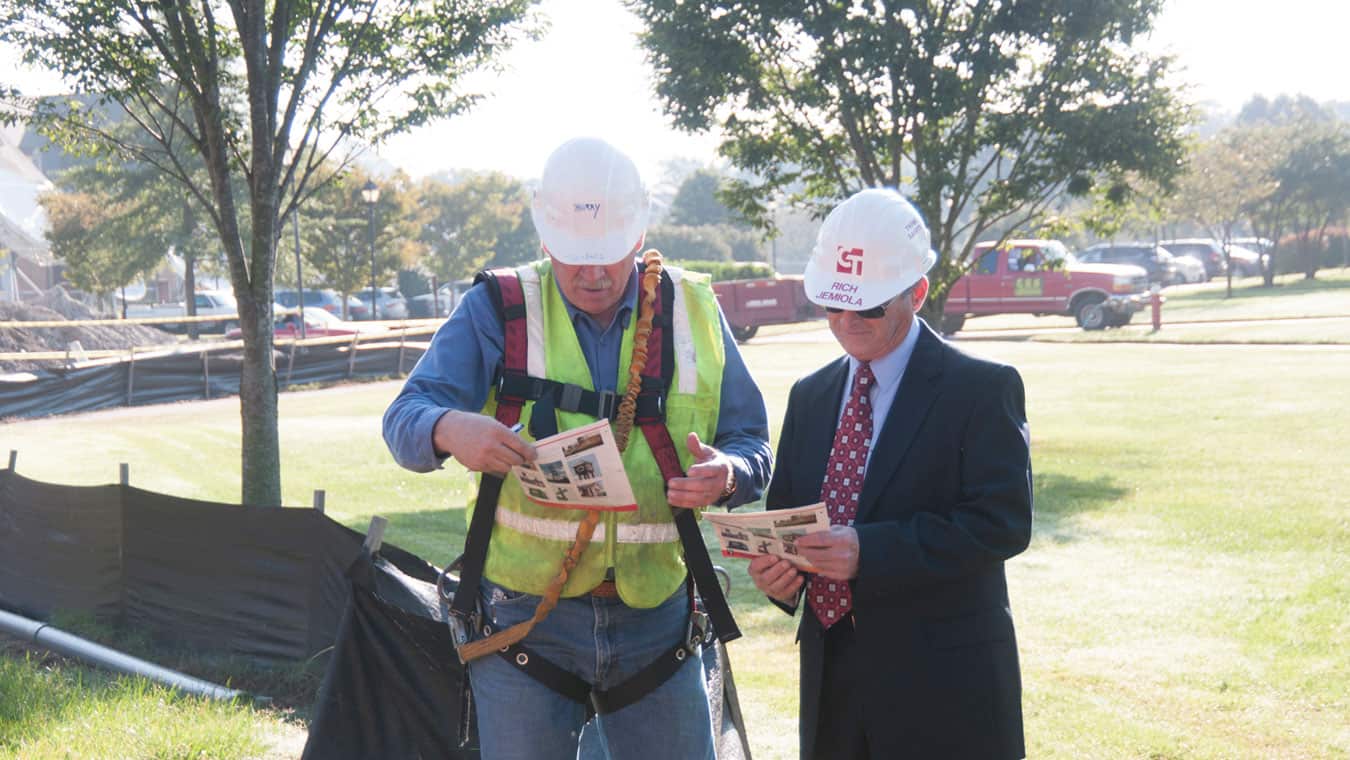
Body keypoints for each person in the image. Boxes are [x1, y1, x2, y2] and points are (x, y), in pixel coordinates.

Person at [383, 136, 772, 760]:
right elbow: (405, 416)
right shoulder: (498, 306)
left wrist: (728, 474)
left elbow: (752, 443)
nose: (594, 274)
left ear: (639, 238)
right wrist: (449, 429)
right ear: (544, 242)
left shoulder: (692, 309)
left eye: (611, 258)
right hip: (524, 619)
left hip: (658, 615)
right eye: (574, 259)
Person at [747, 188, 1032, 759]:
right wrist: (779, 576)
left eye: (869, 306)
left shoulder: (982, 388)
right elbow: (791, 522)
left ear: (917, 292)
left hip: (945, 686)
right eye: (832, 304)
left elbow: (1002, 523)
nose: (847, 321)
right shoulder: (811, 395)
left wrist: (869, 552)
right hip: (832, 680)